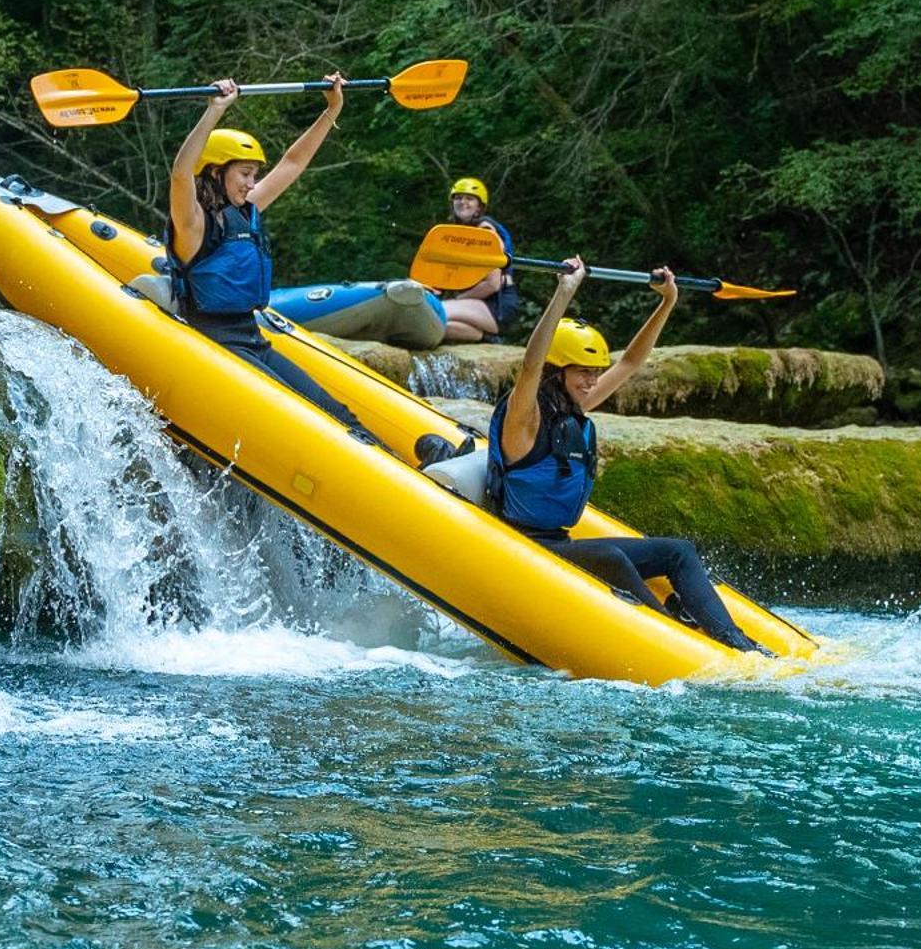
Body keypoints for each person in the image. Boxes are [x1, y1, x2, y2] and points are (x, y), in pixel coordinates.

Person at [169, 75, 468, 465]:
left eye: (254, 174)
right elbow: (180, 173)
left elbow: (292, 164)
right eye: (244, 173)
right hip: (214, 339)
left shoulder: (246, 210)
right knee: (309, 419)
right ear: (214, 171)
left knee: (338, 412)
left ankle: (410, 467)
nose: (252, 182)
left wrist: (331, 111)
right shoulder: (193, 223)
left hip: (249, 335)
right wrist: (215, 111)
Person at [487, 257, 755, 651]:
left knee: (678, 551)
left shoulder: (576, 408)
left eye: (595, 372)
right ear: (557, 371)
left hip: (560, 539)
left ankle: (735, 642)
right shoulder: (523, 419)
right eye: (583, 372)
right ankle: (672, 636)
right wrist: (565, 290)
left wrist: (667, 302)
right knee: (611, 556)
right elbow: (530, 365)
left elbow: (630, 361)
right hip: (526, 545)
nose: (592, 381)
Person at [438, 176, 521, 344]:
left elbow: (492, 284)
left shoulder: (485, 230)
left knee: (434, 312)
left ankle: (489, 336)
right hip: (481, 304)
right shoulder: (461, 233)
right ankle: (487, 338)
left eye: (469, 199)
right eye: (458, 198)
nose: (463, 202)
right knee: (435, 326)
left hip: (497, 304)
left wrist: (457, 300)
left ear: (479, 206)